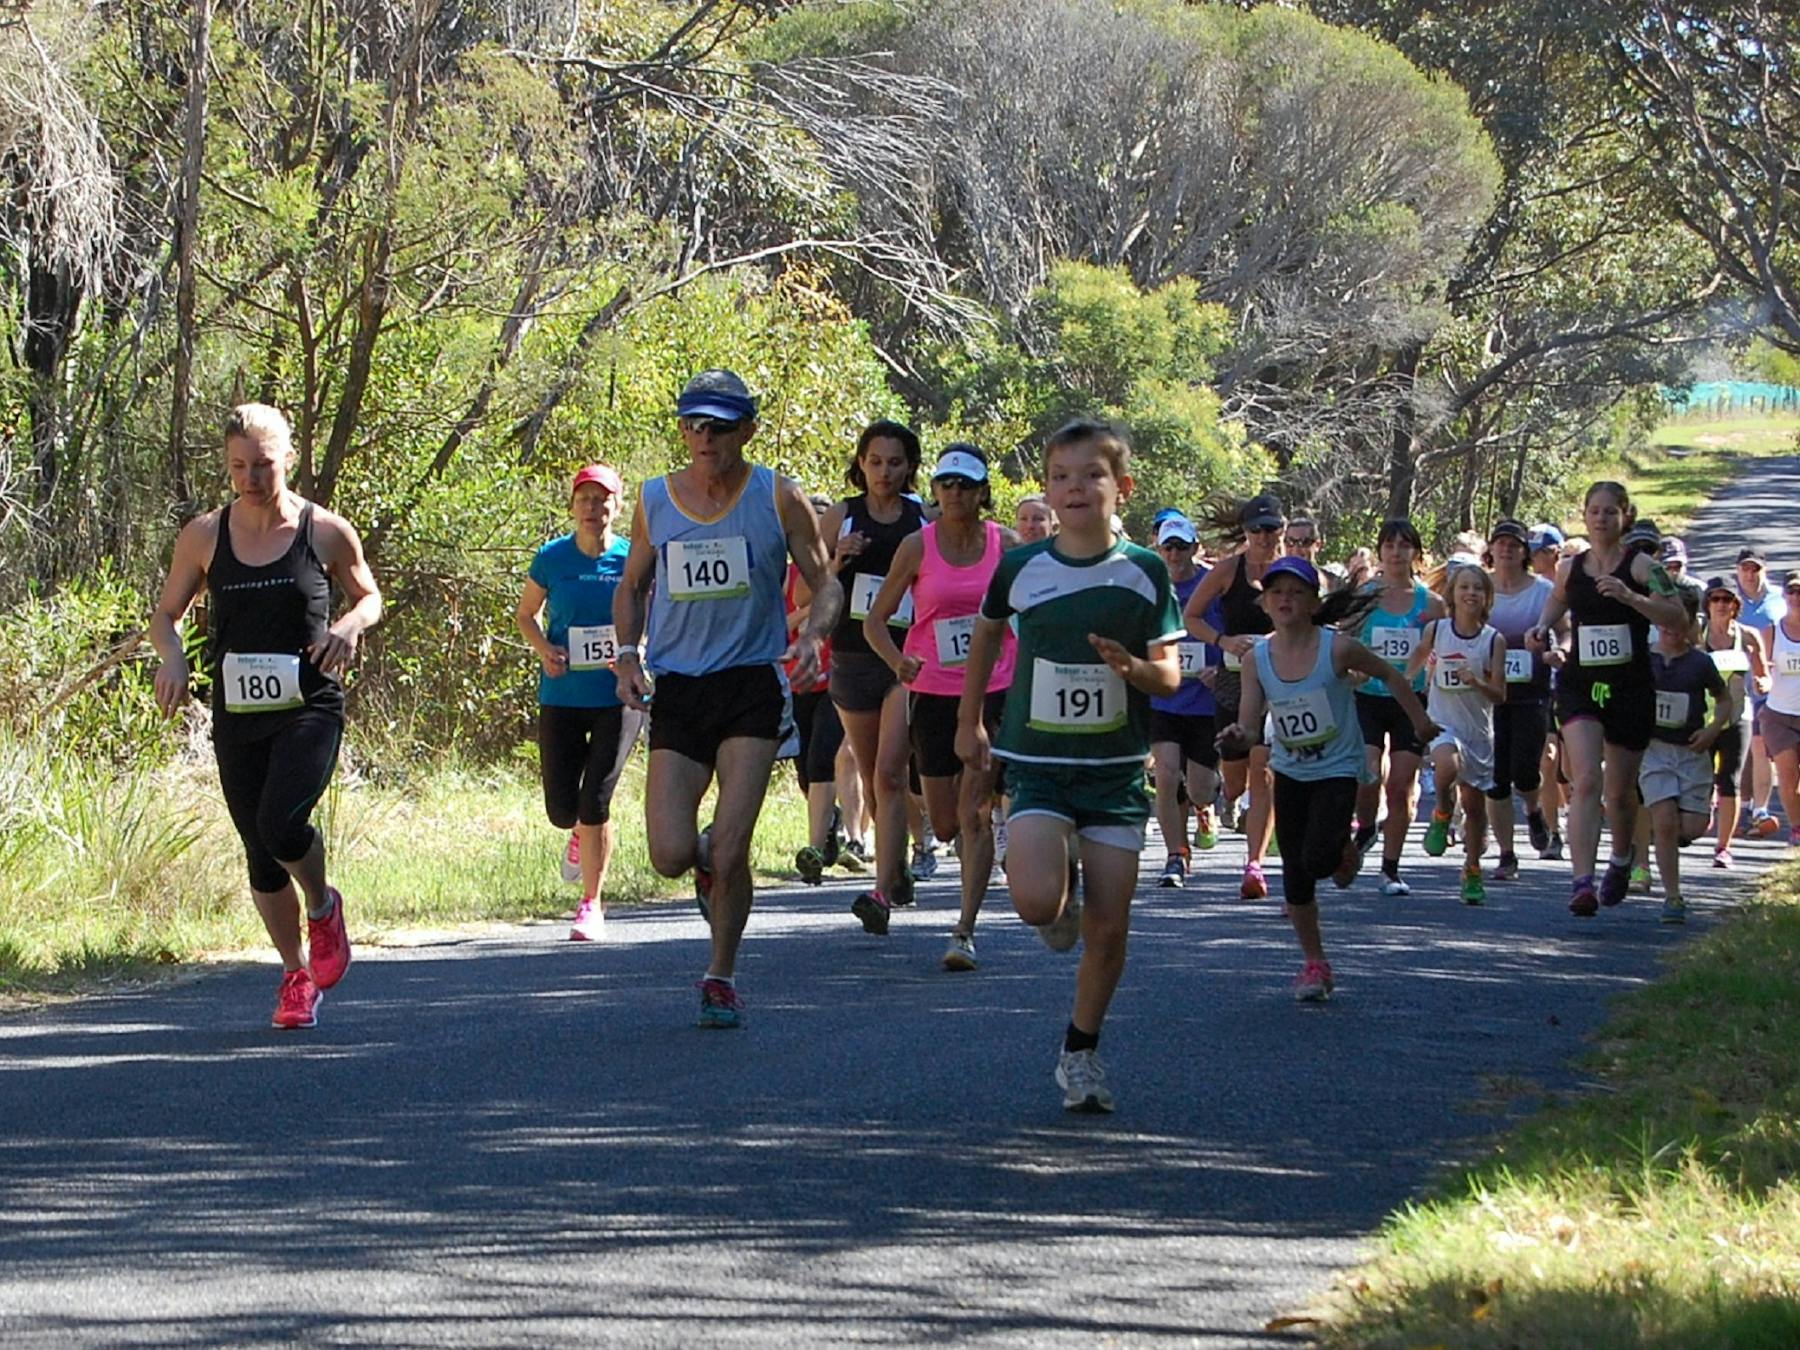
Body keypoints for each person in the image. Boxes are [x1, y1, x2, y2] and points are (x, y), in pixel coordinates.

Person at [956, 418, 1184, 1113]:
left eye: (1092, 475)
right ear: (1047, 490)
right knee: (1035, 905)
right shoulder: (1022, 566)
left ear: (1123, 487)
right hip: (1038, 760)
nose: (1075, 488)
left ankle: (1080, 1051)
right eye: (1061, 476)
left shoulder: (1144, 571)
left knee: (1110, 929)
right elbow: (988, 633)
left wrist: (1134, 667)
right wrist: (970, 720)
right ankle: (1057, 889)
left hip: (1114, 770)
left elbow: (1171, 677)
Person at [612, 369, 839, 1028]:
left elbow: (827, 585)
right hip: (681, 687)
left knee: (734, 846)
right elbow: (632, 586)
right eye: (694, 425)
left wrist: (813, 638)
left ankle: (720, 975)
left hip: (751, 684)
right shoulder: (656, 499)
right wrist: (627, 655)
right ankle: (707, 866)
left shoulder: (778, 496)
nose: (705, 438)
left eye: (719, 426)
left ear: (748, 429)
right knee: (671, 853)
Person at [150, 404, 381, 1029]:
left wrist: (348, 625)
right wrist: (171, 660)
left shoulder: (325, 531)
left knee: (282, 823)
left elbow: (369, 597)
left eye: (264, 465)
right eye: (239, 467)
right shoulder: (203, 535)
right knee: (257, 850)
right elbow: (165, 616)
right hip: (239, 713)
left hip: (309, 704)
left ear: (289, 460)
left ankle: (322, 903)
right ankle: (294, 975)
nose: (251, 478)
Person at [1218, 557, 1434, 1000]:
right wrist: (1238, 735)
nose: (1285, 600)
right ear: (1263, 602)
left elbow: (1390, 674)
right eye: (1276, 592)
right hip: (1291, 770)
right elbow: (1251, 723)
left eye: (1296, 592)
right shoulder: (1258, 657)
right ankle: (1315, 964)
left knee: (1317, 860)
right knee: (1296, 877)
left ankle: (1342, 848)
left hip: (1338, 768)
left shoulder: (1337, 648)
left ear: (1314, 602)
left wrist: (1420, 724)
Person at [865, 445, 1017, 968]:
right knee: (948, 822)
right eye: (946, 484)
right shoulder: (916, 545)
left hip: (994, 690)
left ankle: (964, 930)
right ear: (935, 491)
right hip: (931, 693)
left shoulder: (1006, 546)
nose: (954, 494)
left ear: (981, 493)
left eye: (965, 485)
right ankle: (938, 860)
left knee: (976, 813)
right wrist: (897, 664)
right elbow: (875, 620)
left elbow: (1035, 611)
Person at [1528, 482, 1688, 915]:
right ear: (1584, 516)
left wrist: (1634, 598)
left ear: (1625, 516)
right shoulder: (1571, 567)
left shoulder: (1641, 566)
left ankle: (1621, 857)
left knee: (1619, 794)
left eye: (1609, 512)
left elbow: (1678, 616)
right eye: (1593, 511)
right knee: (1585, 781)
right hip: (1581, 683)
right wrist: (1541, 629)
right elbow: (1557, 603)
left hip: (1629, 688)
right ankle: (1582, 882)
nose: (1600, 519)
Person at [515, 463, 646, 941]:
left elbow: (652, 609)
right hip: (563, 692)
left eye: (603, 499)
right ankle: (578, 836)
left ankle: (591, 904)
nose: (594, 508)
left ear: (617, 505)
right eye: (585, 500)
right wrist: (545, 650)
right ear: (573, 507)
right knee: (562, 809)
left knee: (596, 801)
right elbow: (526, 615)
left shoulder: (632, 558)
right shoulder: (552, 558)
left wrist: (639, 651)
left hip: (618, 695)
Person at [818, 421, 929, 931]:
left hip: (905, 660)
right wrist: (839, 559)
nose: (884, 472)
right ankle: (899, 860)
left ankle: (881, 893)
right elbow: (808, 593)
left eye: (895, 462)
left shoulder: (922, 519)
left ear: (909, 467)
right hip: (851, 656)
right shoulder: (840, 516)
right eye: (876, 461)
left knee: (888, 773)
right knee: (869, 774)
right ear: (860, 462)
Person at [1182, 493, 1288, 900]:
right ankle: (1229, 802)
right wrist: (1223, 639)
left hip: (1280, 682)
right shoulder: (1229, 571)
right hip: (1232, 680)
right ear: (1245, 533)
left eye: (1272, 529)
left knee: (1265, 769)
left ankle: (1254, 865)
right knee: (1235, 779)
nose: (1265, 537)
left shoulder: (1292, 572)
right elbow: (1191, 616)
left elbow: (1315, 616)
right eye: (1257, 530)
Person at [1351, 518, 1446, 898]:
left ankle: (1391, 868)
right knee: (1366, 774)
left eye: (1403, 545)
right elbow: (1346, 639)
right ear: (1380, 552)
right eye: (1388, 545)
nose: (1395, 552)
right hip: (1368, 696)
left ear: (1416, 554)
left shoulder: (1432, 604)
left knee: (1401, 784)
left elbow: (1443, 652)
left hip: (1411, 701)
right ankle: (1366, 825)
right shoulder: (1365, 596)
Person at [1409, 563, 1507, 904]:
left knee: (1476, 808)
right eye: (1464, 587)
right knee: (1446, 767)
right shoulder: (1436, 630)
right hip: (1442, 722)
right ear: (1452, 594)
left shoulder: (1494, 640)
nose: (1470, 594)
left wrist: (1476, 681)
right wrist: (1408, 680)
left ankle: (1472, 868)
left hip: (1478, 730)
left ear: (1486, 598)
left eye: (1477, 589)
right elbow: (1416, 662)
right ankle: (1441, 814)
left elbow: (1500, 695)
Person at [1643, 588, 1732, 923]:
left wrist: (1712, 730)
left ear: (1691, 623)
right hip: (1654, 751)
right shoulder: (1644, 658)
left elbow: (1723, 699)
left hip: (1692, 751)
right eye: (1663, 619)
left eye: (1677, 620)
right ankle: (1673, 897)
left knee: (1692, 827)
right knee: (1665, 822)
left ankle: (1680, 825)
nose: (1669, 628)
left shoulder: (1700, 662)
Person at [1149, 513, 1221, 886]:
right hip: (1163, 699)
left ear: (1195, 548)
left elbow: (1233, 634)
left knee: (1199, 789)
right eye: (1169, 547)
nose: (1175, 555)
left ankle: (1206, 800)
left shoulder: (1212, 585)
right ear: (1159, 550)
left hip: (1205, 701)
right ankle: (1175, 856)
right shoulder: (1150, 586)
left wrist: (1221, 667)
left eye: (1182, 547)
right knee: (1164, 771)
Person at [1484, 519, 1559, 879]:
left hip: (1531, 692)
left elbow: (1566, 630)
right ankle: (1506, 853)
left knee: (1525, 770)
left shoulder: (1542, 591)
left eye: (1513, 545)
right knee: (1496, 777)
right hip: (1488, 693)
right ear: (1491, 549)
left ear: (1524, 552)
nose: (1506, 550)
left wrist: (1558, 652)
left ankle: (1533, 810)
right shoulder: (1481, 588)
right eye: (1500, 543)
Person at [787, 494, 851, 885]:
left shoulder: (851, 569)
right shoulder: (792, 571)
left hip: (838, 677)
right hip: (799, 678)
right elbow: (789, 617)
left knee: (821, 759)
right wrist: (818, 609)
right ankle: (830, 827)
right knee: (805, 774)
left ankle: (812, 852)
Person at [1699, 574, 1768, 867]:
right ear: (1708, 604)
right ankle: (1705, 808)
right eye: (1716, 599)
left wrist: (1764, 683)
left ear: (1736, 605)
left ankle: (1723, 847)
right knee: (1701, 779)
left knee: (1730, 779)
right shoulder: (1695, 635)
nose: (1722, 604)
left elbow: (1764, 674)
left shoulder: (1748, 635)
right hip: (1702, 717)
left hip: (1738, 716)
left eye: (1727, 599)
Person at [1735, 547, 1787, 836]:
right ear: (1737, 571)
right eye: (1745, 569)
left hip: (1771, 686)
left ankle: (1759, 810)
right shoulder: (1729, 600)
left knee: (1759, 747)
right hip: (1736, 686)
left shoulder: (1779, 601)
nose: (1750, 574)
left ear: (1764, 570)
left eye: (1755, 569)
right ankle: (1743, 809)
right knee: (1746, 751)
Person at [1758, 569, 1800, 848]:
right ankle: (1797, 829)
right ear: (1784, 595)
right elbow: (1761, 670)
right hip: (1778, 716)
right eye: (1792, 591)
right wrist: (1764, 679)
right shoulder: (1771, 631)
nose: (1797, 597)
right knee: (1787, 777)